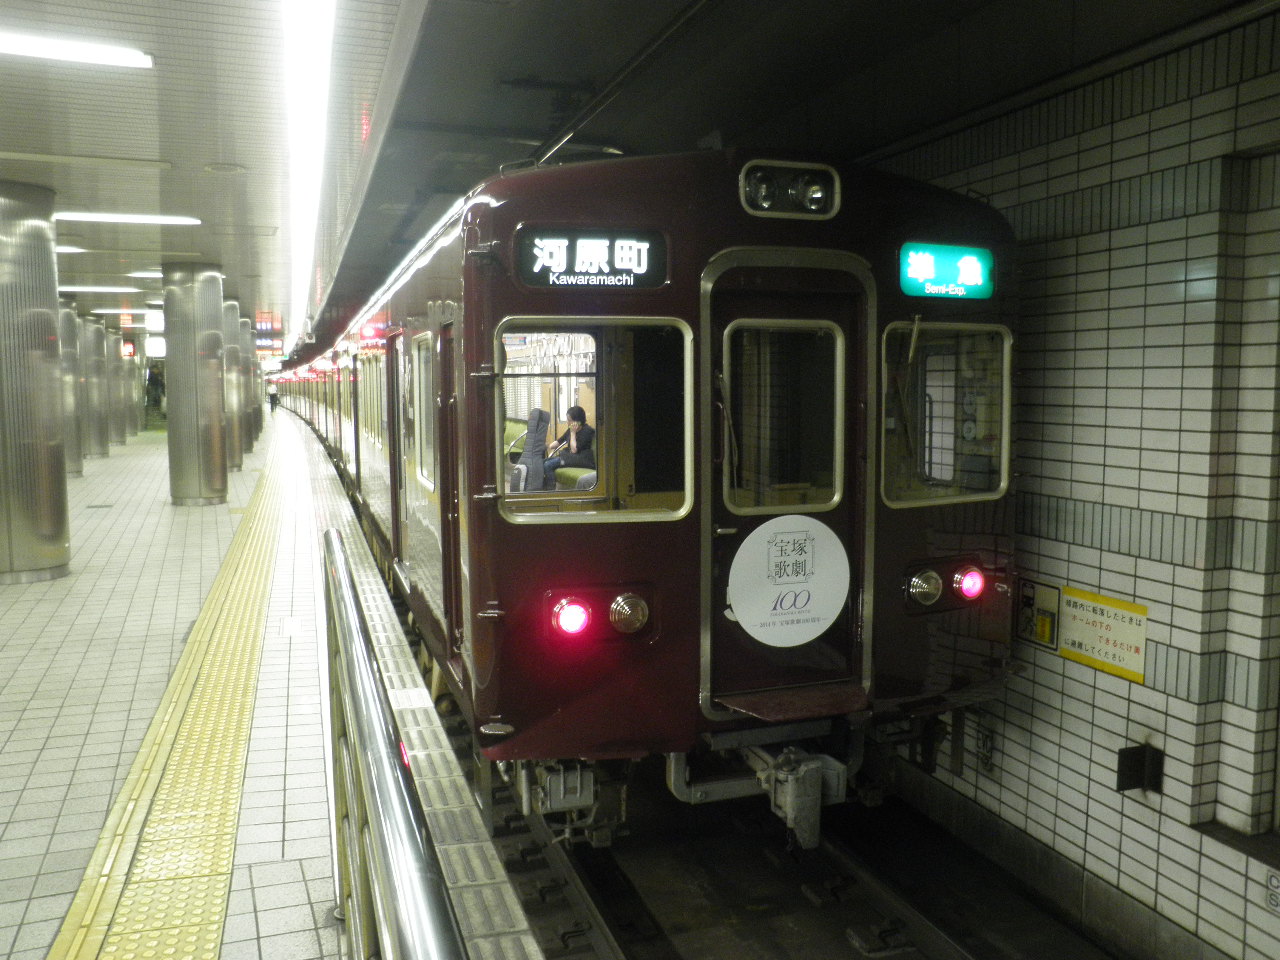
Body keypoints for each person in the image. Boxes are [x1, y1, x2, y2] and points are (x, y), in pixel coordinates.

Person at [542, 405, 595, 487]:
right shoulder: (570, 430)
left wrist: (573, 433)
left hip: (581, 459)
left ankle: (551, 489)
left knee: (548, 465)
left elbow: (574, 450)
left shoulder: (587, 431)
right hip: (570, 458)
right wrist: (548, 445)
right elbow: (558, 442)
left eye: (570, 420)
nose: (567, 422)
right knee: (542, 462)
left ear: (578, 421)